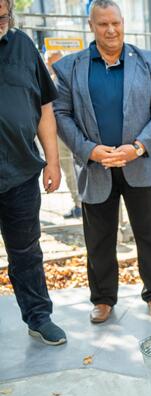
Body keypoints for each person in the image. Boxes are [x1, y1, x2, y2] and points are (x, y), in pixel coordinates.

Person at [53, 0, 151, 324]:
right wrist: (89, 149)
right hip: (96, 167)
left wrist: (137, 147)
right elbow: (60, 114)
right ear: (91, 26)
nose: (111, 30)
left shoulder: (148, 62)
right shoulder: (69, 68)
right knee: (99, 238)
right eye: (103, 24)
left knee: (149, 234)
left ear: (123, 23)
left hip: (139, 163)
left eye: (116, 23)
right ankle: (103, 298)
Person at [0, 0, 66, 345]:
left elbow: (44, 107)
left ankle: (39, 317)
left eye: (3, 16)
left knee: (26, 251)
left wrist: (52, 161)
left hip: (21, 171)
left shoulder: (23, 45)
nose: (0, 22)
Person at [46, 50, 82, 219]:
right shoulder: (49, 83)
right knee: (69, 170)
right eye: (52, 63)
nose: (56, 66)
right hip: (60, 135)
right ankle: (78, 203)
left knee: (82, 168)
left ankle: (85, 202)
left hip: (78, 131)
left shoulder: (74, 79)